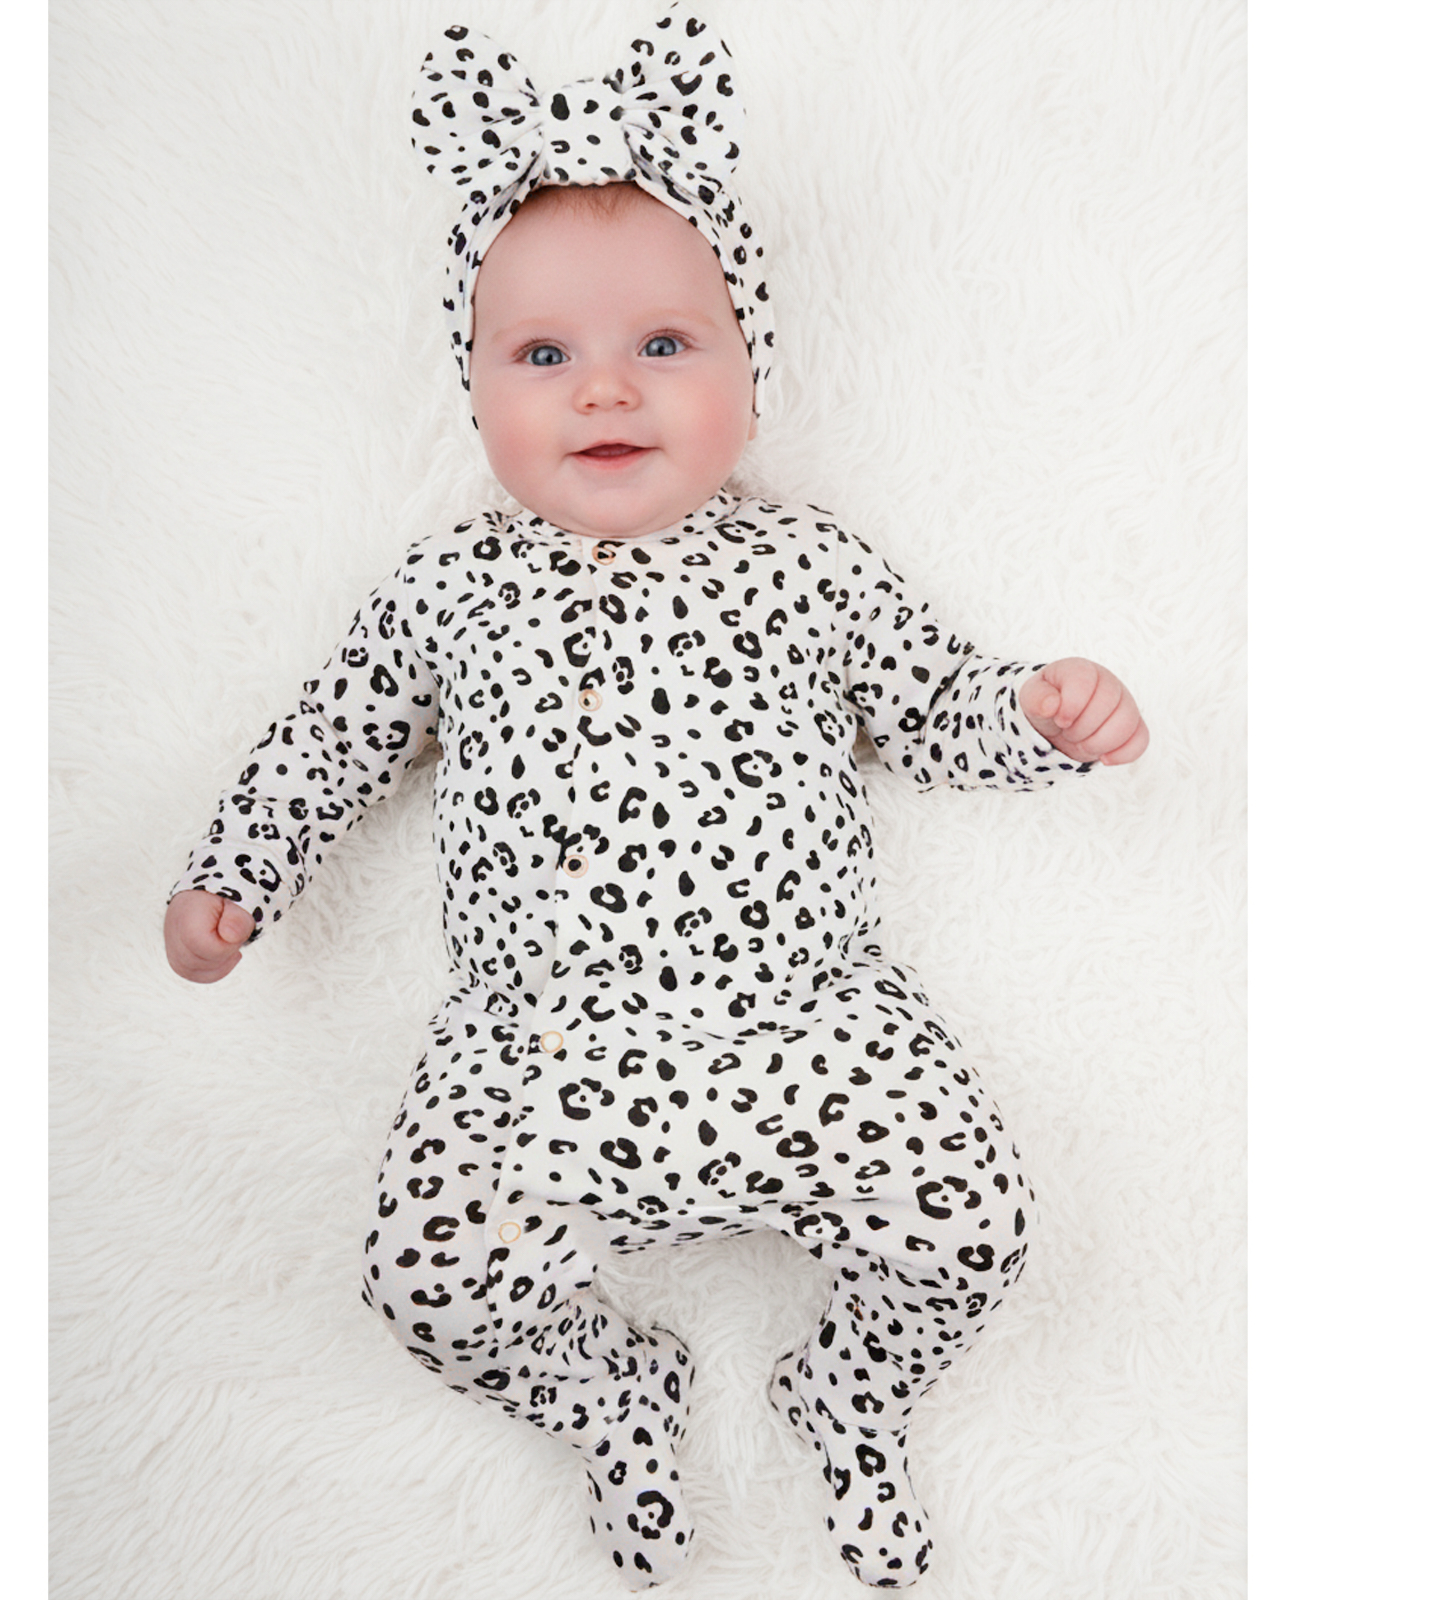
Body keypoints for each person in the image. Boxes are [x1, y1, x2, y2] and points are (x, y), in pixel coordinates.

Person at [164, 8, 1147, 1590]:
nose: (604, 390)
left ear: (752, 367)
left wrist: (1042, 712)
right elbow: (328, 740)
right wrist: (236, 877)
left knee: (974, 1226)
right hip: (535, 1052)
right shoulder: (448, 588)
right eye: (543, 356)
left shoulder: (806, 562)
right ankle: (614, 1387)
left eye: (665, 347)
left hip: (812, 1025)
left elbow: (930, 705)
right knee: (425, 1284)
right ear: (473, 385)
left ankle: (852, 1385)